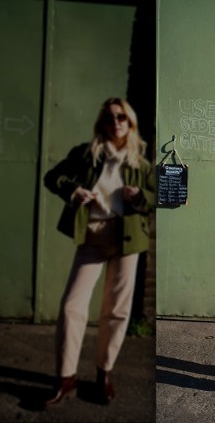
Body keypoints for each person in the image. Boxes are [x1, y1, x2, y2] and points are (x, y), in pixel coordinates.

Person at [43, 97, 155, 407]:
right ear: (102, 123)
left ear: (130, 123)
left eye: (122, 117)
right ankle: (66, 379)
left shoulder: (140, 162)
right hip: (91, 238)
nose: (116, 122)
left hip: (127, 242)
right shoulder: (86, 154)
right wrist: (73, 191)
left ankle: (104, 372)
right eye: (109, 118)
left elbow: (157, 196)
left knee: (117, 311)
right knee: (71, 307)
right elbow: (52, 177)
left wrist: (140, 196)